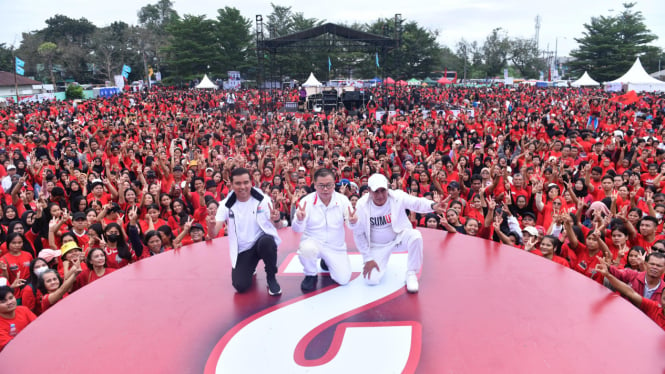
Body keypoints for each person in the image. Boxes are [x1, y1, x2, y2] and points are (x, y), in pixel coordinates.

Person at [350, 173, 445, 293]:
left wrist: (433, 205)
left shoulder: (397, 196)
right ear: (369, 190)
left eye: (383, 190)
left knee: (415, 236)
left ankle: (411, 273)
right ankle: (381, 260)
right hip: (377, 246)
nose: (380, 195)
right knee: (371, 280)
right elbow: (358, 234)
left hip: (397, 239)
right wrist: (367, 258)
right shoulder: (362, 204)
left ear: (388, 188)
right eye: (376, 191)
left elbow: (416, 203)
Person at [207, 167, 283, 296]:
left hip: (261, 242)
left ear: (251, 182)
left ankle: (271, 277)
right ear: (231, 184)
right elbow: (213, 233)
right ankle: (250, 266)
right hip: (243, 249)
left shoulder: (263, 199)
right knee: (240, 286)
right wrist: (210, 225)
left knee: (267, 242)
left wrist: (276, 220)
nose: (243, 186)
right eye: (238, 183)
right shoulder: (225, 205)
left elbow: (279, 226)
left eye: (246, 182)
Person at [292, 168, 356, 292]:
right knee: (307, 249)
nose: (325, 189)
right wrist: (299, 219)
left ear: (334, 184)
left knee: (344, 279)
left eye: (329, 185)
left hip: (335, 246)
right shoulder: (306, 201)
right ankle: (311, 274)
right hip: (313, 242)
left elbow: (351, 225)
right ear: (315, 185)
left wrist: (353, 221)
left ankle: (326, 262)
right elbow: (296, 229)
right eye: (321, 185)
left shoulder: (343, 200)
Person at [596, 257, 665, 330]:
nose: (654, 267)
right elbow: (629, 292)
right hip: (622, 319)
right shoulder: (632, 275)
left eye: (658, 266)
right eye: (652, 264)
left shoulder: (663, 291)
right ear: (646, 264)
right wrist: (608, 269)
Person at [0, 285, 36, 352]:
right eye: (3, 301)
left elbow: (38, 327)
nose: (10, 302)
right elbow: (11, 346)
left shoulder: (24, 310)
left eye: (11, 298)